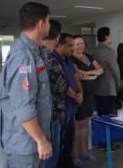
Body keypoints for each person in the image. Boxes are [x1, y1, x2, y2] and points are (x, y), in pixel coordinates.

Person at [0, 2, 52, 168]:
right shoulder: (23, 56)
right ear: (41, 24)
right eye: (48, 21)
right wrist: (41, 140)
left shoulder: (34, 52)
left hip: (30, 142)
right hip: (24, 145)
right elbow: (23, 106)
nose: (49, 25)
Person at [52, 33, 83, 168]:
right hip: (60, 110)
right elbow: (61, 83)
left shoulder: (69, 60)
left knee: (69, 139)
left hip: (71, 108)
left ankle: (68, 163)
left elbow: (76, 78)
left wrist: (81, 93)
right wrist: (75, 96)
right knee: (59, 143)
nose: (73, 48)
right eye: (69, 45)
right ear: (59, 44)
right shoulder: (53, 60)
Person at [71, 35, 103, 165]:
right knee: (78, 126)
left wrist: (88, 73)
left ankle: (84, 151)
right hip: (80, 95)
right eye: (77, 44)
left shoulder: (88, 56)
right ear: (72, 45)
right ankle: (75, 155)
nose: (80, 46)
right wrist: (92, 74)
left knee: (85, 125)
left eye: (82, 43)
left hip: (90, 95)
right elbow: (77, 76)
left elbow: (101, 70)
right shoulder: (71, 59)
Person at [41, 20, 68, 168]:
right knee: (51, 157)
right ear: (57, 38)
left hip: (40, 115)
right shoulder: (49, 58)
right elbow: (61, 85)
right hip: (52, 114)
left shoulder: (35, 54)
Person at [92, 27, 120, 150]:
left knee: (101, 116)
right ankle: (108, 143)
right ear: (106, 36)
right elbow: (115, 70)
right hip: (108, 88)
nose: (111, 37)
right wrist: (119, 85)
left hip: (97, 88)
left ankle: (101, 142)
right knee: (109, 117)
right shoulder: (109, 51)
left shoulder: (95, 50)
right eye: (110, 35)